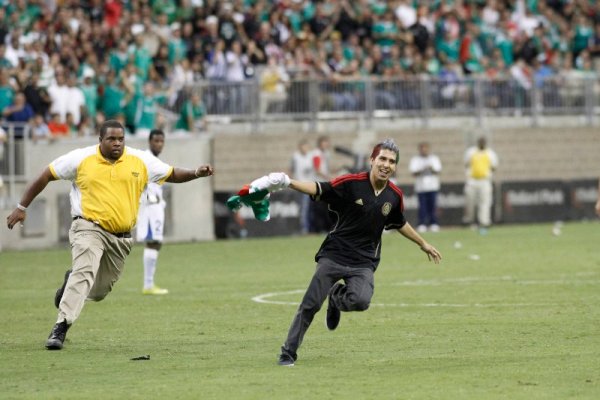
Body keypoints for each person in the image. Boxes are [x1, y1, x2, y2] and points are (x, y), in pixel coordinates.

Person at [5, 120, 214, 351]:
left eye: (120, 139)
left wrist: (196, 172)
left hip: (121, 238)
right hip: (88, 227)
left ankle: (68, 286)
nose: (117, 143)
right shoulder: (80, 158)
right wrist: (21, 207)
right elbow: (46, 174)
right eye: (111, 139)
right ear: (100, 140)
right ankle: (60, 327)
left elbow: (172, 173)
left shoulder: (140, 160)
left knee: (99, 291)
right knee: (84, 271)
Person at [258, 139, 442, 366]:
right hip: (335, 254)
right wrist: (288, 182)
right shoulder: (351, 183)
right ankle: (288, 352)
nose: (386, 164)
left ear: (395, 167)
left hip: (364, 261)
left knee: (361, 301)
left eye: (392, 161)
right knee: (311, 304)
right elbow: (318, 188)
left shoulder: (394, 196)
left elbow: (399, 222)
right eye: (382, 159)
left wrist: (422, 243)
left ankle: (336, 298)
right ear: (372, 160)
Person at [136, 129, 169, 295]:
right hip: (149, 208)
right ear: (149, 142)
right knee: (152, 242)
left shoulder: (155, 160)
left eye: (161, 141)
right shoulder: (145, 159)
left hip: (156, 207)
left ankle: (149, 284)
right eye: (156, 141)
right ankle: (148, 285)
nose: (159, 144)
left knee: (156, 242)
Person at [463, 136, 499, 234]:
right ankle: (470, 221)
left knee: (485, 202)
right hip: (472, 180)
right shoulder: (471, 152)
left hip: (485, 181)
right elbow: (466, 164)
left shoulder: (490, 153)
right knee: (470, 202)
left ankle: (484, 222)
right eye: (480, 142)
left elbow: (494, 167)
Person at [409, 142, 442, 233]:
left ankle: (433, 223)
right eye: (422, 148)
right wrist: (422, 169)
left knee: (432, 206)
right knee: (422, 207)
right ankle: (422, 224)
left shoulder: (434, 159)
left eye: (426, 148)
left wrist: (431, 168)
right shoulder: (415, 160)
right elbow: (413, 172)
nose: (424, 150)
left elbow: (438, 171)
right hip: (421, 187)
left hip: (433, 186)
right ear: (419, 149)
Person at [289, 138, 315, 234]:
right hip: (298, 185)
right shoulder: (295, 156)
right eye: (303, 146)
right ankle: (303, 228)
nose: (305, 148)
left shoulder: (311, 156)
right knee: (301, 208)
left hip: (308, 185)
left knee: (305, 208)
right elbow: (291, 169)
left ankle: (305, 228)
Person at [309, 135, 333, 233]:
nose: (326, 144)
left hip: (324, 183)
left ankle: (326, 228)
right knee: (318, 208)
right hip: (318, 184)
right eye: (324, 142)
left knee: (325, 207)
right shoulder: (316, 154)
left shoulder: (326, 154)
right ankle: (318, 229)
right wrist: (329, 177)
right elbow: (317, 169)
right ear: (320, 143)